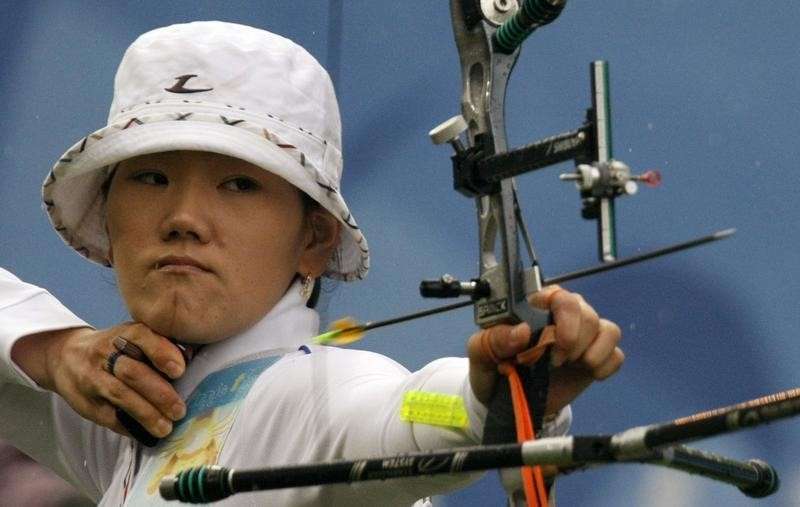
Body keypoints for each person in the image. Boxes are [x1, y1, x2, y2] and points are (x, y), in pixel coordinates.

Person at [0, 21, 623, 506]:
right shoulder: (121, 417)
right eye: (151, 176)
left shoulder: (302, 400)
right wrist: (56, 352)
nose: (183, 216)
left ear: (315, 241)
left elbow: (403, 411)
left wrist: (494, 396)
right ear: (109, 216)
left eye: (238, 185)